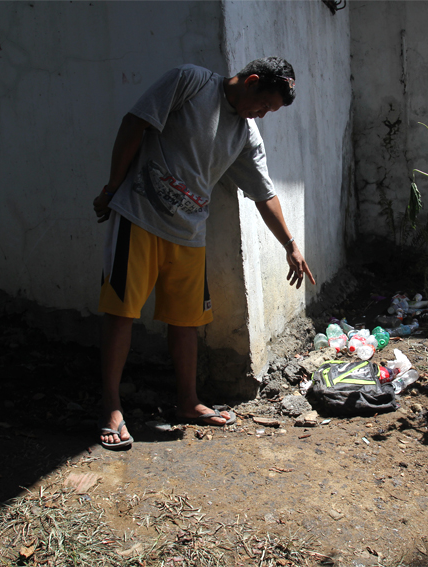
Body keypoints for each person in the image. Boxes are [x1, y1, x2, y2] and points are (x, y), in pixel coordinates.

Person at [92, 57, 315, 449]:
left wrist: (290, 245)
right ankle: (111, 406)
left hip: (189, 232)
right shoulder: (190, 82)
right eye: (263, 106)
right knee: (121, 312)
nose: (261, 115)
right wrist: (112, 188)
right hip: (138, 217)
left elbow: (264, 194)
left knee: (186, 321)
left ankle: (188, 401)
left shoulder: (247, 135)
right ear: (251, 81)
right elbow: (135, 123)